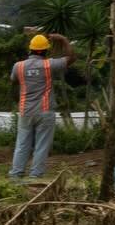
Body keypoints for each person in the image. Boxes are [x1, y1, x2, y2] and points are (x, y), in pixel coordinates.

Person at [8, 32, 73, 182]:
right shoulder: (49, 65)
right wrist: (63, 39)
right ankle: (35, 175)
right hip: (44, 111)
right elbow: (71, 58)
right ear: (45, 51)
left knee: (22, 143)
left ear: (30, 49)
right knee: (42, 145)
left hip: (25, 111)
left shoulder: (18, 66)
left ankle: (16, 175)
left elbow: (13, 81)